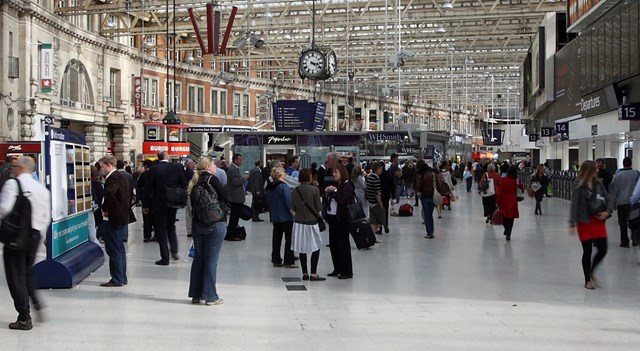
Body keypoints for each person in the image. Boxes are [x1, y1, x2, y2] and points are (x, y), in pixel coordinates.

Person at [0, 156, 51, 330]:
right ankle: (35, 300)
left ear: (21, 167)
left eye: (14, 166)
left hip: (16, 237)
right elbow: (46, 217)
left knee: (15, 276)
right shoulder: (41, 189)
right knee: (26, 272)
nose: (12, 168)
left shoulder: (12, 184)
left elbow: (4, 208)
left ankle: (24, 317)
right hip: (35, 236)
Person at [188, 157, 227, 306]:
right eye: (214, 164)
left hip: (198, 225)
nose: (216, 166)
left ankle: (196, 295)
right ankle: (210, 295)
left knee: (199, 259)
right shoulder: (212, 179)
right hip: (215, 223)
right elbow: (225, 195)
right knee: (211, 260)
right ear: (209, 166)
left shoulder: (195, 181)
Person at [569, 160, 612, 290]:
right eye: (595, 168)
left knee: (603, 249)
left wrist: (607, 212)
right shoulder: (578, 184)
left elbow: (608, 199)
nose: (597, 170)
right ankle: (587, 280)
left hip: (598, 220)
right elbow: (575, 204)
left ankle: (591, 271)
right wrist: (572, 223)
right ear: (589, 170)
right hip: (584, 221)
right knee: (587, 251)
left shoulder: (598, 182)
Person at [143, 151, 187, 265]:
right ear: (167, 157)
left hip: (158, 202)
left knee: (161, 229)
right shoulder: (177, 167)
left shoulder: (154, 169)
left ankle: (165, 257)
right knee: (171, 225)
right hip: (173, 201)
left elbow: (148, 188)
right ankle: (174, 250)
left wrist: (145, 204)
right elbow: (183, 183)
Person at [98, 156, 135, 287]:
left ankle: (117, 278)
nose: (101, 169)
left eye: (102, 166)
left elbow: (110, 193)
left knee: (113, 248)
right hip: (121, 216)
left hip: (113, 217)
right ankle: (122, 277)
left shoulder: (113, 178)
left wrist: (105, 208)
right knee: (119, 248)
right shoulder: (122, 177)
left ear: (109, 165)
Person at [291, 168, 325, 281]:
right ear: (309, 177)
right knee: (316, 247)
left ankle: (304, 273)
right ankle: (313, 273)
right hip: (312, 222)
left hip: (299, 222)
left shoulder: (295, 190)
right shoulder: (314, 189)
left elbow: (293, 207)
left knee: (302, 248)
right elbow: (319, 207)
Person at [325, 164, 354, 280]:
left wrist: (335, 191)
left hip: (342, 219)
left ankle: (346, 270)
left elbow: (343, 200)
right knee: (334, 244)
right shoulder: (337, 185)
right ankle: (337, 268)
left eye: (336, 172)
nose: (334, 174)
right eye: (333, 172)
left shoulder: (347, 185)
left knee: (343, 245)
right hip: (333, 218)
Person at [266, 166, 297, 268]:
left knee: (276, 238)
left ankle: (276, 259)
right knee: (289, 239)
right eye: (284, 172)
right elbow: (289, 201)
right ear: (279, 174)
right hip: (286, 216)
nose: (285, 174)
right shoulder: (284, 187)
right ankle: (289, 260)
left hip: (276, 216)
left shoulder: (271, 187)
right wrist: (293, 212)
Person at [609, 157, 640, 247]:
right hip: (634, 204)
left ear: (623, 164)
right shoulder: (636, 174)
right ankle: (635, 239)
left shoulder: (618, 175)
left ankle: (624, 242)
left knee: (622, 223)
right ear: (631, 163)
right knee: (634, 221)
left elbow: (614, 190)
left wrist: (613, 203)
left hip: (621, 203)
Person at [225, 153, 248, 241]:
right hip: (235, 198)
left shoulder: (234, 169)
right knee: (234, 217)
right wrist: (244, 178)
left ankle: (232, 233)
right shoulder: (233, 170)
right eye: (240, 160)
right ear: (235, 160)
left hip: (235, 197)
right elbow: (235, 183)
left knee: (235, 217)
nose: (241, 161)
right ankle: (231, 235)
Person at [497, 166, 522, 241]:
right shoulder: (516, 180)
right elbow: (522, 189)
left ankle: (507, 229)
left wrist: (497, 201)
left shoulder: (503, 180)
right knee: (511, 217)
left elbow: (500, 191)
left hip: (504, 200)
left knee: (504, 216)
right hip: (513, 199)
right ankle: (509, 233)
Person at [136, 160, 155, 242]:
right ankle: (157, 235)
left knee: (147, 218)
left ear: (146, 166)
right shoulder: (155, 173)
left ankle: (147, 236)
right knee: (155, 218)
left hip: (146, 198)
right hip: (155, 198)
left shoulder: (143, 174)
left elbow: (139, 185)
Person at [415, 162, 436, 239]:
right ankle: (432, 231)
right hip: (433, 196)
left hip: (425, 197)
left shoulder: (421, 176)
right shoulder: (432, 174)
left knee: (427, 215)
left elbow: (418, 187)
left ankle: (429, 232)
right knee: (430, 215)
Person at [365, 162, 385, 242]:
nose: (381, 171)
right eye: (380, 169)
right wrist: (380, 203)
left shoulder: (369, 177)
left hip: (370, 202)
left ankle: (373, 236)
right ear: (377, 169)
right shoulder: (376, 178)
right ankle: (371, 234)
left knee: (373, 221)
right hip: (376, 203)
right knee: (381, 219)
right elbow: (377, 193)